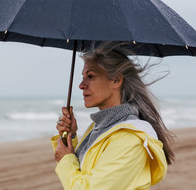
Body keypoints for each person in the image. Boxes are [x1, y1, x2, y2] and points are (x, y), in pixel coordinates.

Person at [51, 42, 174, 190]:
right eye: (83, 76)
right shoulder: (102, 128)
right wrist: (68, 137)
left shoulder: (130, 139)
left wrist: (66, 160)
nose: (81, 85)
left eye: (90, 76)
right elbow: (83, 173)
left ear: (116, 80)